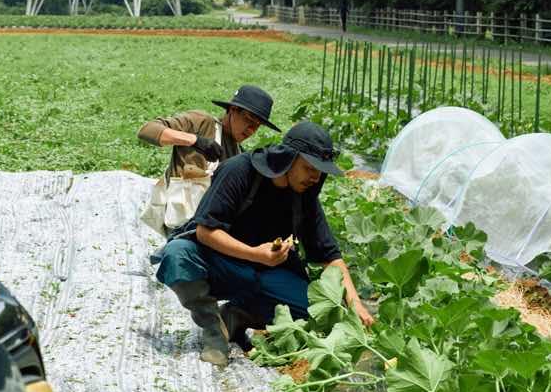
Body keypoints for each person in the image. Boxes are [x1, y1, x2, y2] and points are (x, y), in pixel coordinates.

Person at [154, 120, 374, 367]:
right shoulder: (239, 170)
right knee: (178, 254)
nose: (315, 177)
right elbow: (206, 231)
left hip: (265, 274)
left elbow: (329, 255)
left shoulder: (304, 193)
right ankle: (213, 328)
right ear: (289, 158)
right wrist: (255, 254)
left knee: (316, 310)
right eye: (310, 168)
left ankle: (237, 316)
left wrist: (355, 304)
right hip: (220, 264)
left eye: (321, 171)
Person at [137, 85, 279, 231]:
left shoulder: (239, 155)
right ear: (233, 110)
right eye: (249, 120)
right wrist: (195, 140)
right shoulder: (201, 123)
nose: (251, 130)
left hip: (209, 229)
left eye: (258, 126)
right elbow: (147, 130)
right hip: (178, 225)